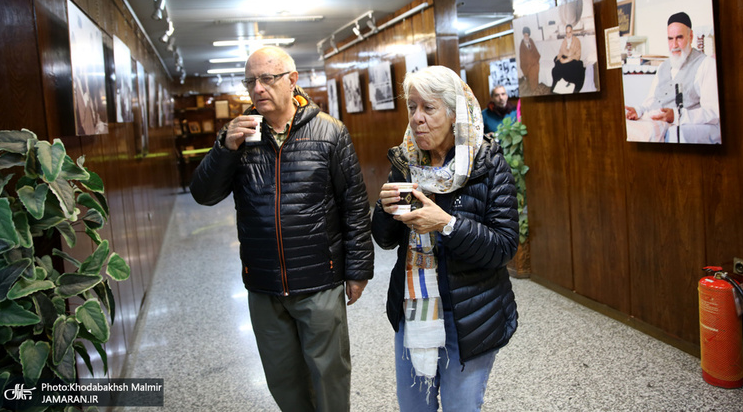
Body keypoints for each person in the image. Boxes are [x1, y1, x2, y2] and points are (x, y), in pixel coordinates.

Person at [189, 46, 374, 412]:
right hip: (263, 283)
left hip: (318, 279)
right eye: (250, 81)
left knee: (329, 377)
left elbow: (353, 205)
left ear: (292, 81)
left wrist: (358, 271)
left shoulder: (330, 132)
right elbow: (204, 195)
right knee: (283, 379)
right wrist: (225, 148)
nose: (258, 89)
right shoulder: (238, 136)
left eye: (267, 79)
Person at [372, 65, 519, 412]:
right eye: (411, 107)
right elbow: (385, 239)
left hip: (470, 316)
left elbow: (504, 247)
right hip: (415, 309)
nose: (417, 119)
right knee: (414, 407)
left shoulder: (488, 163)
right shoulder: (406, 161)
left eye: (429, 108)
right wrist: (383, 208)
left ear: (455, 114)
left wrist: (447, 224)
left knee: (460, 407)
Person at [625, 12, 721, 144]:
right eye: (670, 39)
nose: (674, 45)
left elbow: (713, 113)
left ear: (690, 36)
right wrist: (638, 110)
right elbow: (652, 100)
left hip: (680, 126)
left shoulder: (706, 64)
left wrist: (676, 116)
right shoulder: (663, 67)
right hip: (656, 123)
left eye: (679, 38)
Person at [550, 24, 585, 93]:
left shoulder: (577, 41)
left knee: (578, 66)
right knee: (556, 67)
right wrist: (560, 59)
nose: (568, 34)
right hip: (565, 58)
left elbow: (578, 56)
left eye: (570, 32)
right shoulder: (564, 41)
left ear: (572, 32)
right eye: (567, 32)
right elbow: (560, 52)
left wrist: (567, 60)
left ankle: (572, 88)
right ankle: (555, 87)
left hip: (573, 59)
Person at [518, 26, 542, 95]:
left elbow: (535, 52)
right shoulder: (522, 44)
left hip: (534, 62)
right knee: (531, 70)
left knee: (536, 67)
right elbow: (522, 57)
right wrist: (529, 62)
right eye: (525, 35)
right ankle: (532, 87)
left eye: (527, 35)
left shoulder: (531, 41)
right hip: (527, 65)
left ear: (529, 35)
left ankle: (535, 86)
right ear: (523, 35)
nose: (526, 37)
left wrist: (535, 60)